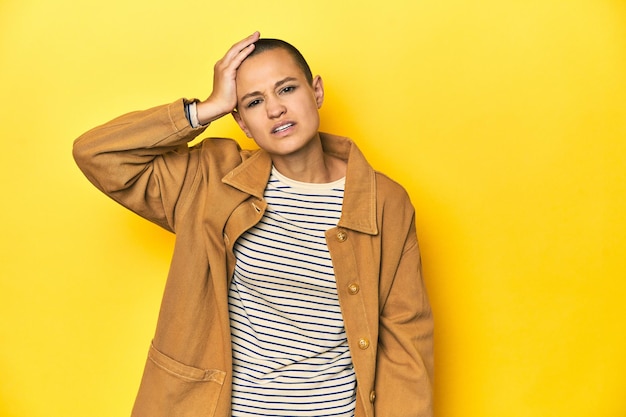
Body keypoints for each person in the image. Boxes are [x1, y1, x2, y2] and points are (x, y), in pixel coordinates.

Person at [73, 31, 434, 417]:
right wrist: (205, 109)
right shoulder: (212, 179)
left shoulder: (384, 201)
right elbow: (97, 153)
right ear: (241, 122)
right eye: (254, 102)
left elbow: (405, 339)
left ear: (316, 92)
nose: (275, 109)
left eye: (287, 89)